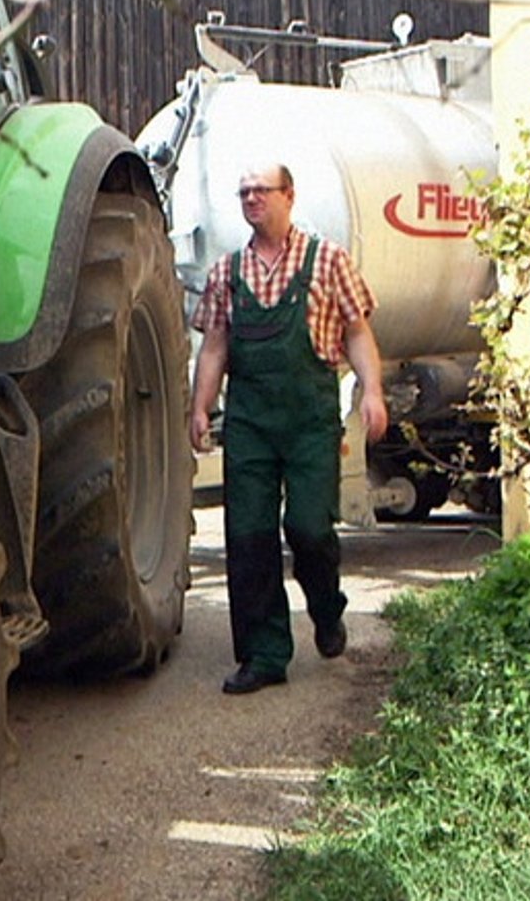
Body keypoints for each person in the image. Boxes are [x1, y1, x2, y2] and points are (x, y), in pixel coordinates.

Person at [188, 163, 387, 695]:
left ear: (289, 196)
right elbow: (214, 347)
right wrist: (200, 408)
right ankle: (265, 654)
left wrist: (372, 391)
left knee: (308, 529)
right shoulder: (227, 273)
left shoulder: (326, 262)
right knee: (249, 538)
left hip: (308, 424)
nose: (252, 199)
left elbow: (358, 333)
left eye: (261, 190)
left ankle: (326, 610)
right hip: (251, 423)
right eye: (244, 191)